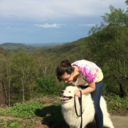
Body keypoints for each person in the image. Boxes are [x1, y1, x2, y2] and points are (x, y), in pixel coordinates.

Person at [56, 59, 104, 128]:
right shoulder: (68, 71)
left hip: (96, 80)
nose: (65, 82)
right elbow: (75, 86)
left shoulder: (85, 71)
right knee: (81, 101)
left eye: (66, 79)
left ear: (72, 73)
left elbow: (92, 88)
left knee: (94, 105)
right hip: (83, 80)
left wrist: (81, 92)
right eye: (63, 80)